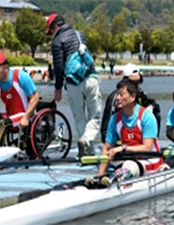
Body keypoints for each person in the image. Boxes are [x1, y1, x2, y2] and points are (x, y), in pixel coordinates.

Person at [46, 13, 102, 157]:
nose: (51, 34)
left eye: (51, 31)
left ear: (55, 27)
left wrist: (57, 88)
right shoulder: (80, 35)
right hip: (90, 77)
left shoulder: (57, 41)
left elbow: (58, 67)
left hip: (73, 83)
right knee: (94, 115)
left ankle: (86, 150)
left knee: (79, 117)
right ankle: (87, 143)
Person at [88, 79, 162, 187]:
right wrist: (100, 174)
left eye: (121, 95)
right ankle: (104, 180)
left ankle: (115, 179)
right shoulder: (114, 119)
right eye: (117, 94)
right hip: (129, 162)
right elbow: (106, 148)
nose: (117, 98)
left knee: (129, 165)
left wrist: (122, 148)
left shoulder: (147, 116)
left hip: (151, 160)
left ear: (132, 97)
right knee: (122, 165)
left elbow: (147, 148)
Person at [101, 63, 161, 143]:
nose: (136, 86)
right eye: (133, 83)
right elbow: (105, 128)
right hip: (119, 140)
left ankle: (151, 143)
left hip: (136, 137)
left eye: (138, 82)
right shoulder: (115, 98)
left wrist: (150, 108)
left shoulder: (140, 93)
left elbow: (156, 105)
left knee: (156, 115)